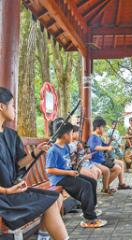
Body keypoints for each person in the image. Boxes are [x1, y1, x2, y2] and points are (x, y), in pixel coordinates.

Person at [0, 87, 68, 240]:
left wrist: (37, 151)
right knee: (50, 203)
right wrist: (7, 191)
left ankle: (43, 237)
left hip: (14, 191)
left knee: (56, 198)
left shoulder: (10, 135)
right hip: (4, 196)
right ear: (1, 107)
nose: (15, 110)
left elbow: (19, 163)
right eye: (12, 105)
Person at [46, 119, 107, 228]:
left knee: (92, 181)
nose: (72, 135)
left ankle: (90, 209)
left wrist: (76, 165)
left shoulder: (65, 146)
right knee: (86, 186)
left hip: (68, 174)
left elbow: (68, 162)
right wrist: (68, 172)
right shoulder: (53, 150)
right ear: (65, 135)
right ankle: (90, 219)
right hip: (59, 178)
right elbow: (49, 170)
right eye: (71, 133)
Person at [88, 117, 131, 192]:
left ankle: (121, 184)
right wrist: (107, 148)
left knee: (121, 163)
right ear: (98, 127)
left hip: (102, 159)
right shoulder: (93, 137)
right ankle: (105, 187)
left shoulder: (98, 137)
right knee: (118, 168)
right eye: (103, 127)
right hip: (98, 161)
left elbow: (105, 145)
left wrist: (110, 140)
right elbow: (95, 147)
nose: (104, 130)